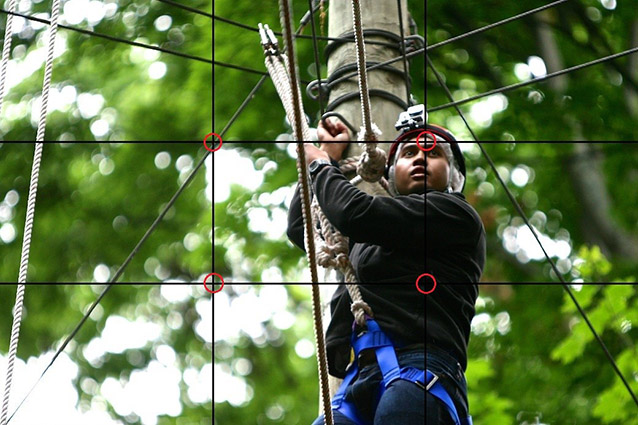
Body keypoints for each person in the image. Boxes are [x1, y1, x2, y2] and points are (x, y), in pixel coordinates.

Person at [423, 125, 485, 425]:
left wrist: (319, 164)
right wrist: (328, 159)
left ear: (454, 176)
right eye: (408, 153)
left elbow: (354, 213)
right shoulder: (371, 230)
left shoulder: (455, 214)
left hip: (421, 371)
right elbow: (306, 228)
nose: (420, 159)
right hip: (361, 378)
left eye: (433, 153)